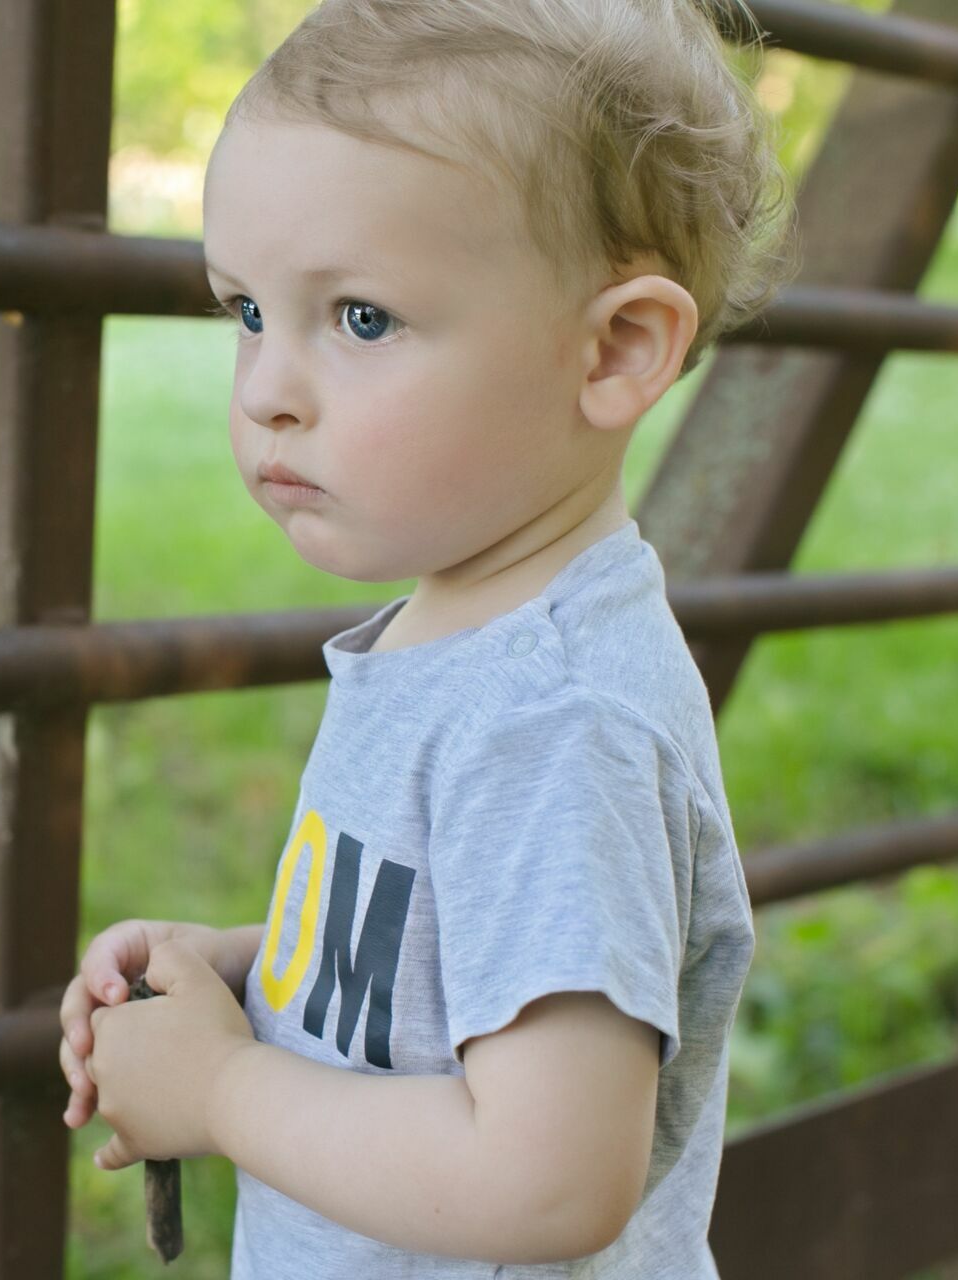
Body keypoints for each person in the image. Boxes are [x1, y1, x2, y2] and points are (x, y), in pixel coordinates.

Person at [59, 0, 797, 1273]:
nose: (268, 391)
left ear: (616, 349)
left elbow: (547, 1178)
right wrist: (241, 977)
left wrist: (226, 1091)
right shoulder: (473, 628)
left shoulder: (557, 721)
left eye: (359, 319)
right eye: (246, 310)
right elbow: (448, 966)